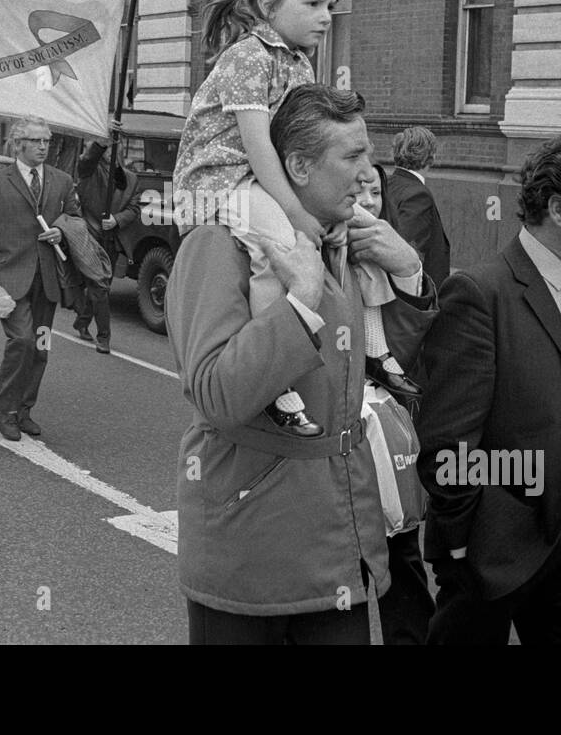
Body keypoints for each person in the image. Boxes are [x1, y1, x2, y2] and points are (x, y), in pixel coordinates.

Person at [169, 83, 433, 644]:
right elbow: (220, 394)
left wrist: (407, 271)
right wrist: (297, 303)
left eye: (370, 154)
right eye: (353, 156)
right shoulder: (219, 245)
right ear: (298, 166)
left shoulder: (344, 241)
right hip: (254, 547)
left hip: (342, 536)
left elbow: (383, 372)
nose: (370, 174)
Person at [416, 132, 561, 645]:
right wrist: (461, 544)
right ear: (560, 210)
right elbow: (446, 440)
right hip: (496, 548)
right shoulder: (481, 293)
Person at [173, 0, 407, 436]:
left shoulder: (298, 62)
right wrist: (298, 213)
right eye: (314, 4)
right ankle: (277, 385)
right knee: (277, 242)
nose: (327, 16)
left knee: (363, 225)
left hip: (258, 176)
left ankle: (375, 346)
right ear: (266, 4)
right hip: (220, 178)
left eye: (331, 6)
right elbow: (259, 146)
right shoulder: (247, 58)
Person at [357, 165, 435, 645]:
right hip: (329, 440)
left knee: (400, 557)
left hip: (380, 434)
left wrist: (408, 270)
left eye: (376, 190)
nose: (368, 198)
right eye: (357, 186)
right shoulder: (307, 245)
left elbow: (402, 352)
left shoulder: (389, 252)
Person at [0, 115, 79, 441]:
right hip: (9, 280)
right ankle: (6, 411)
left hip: (47, 281)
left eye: (46, 140)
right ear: (18, 144)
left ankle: (25, 410)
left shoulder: (61, 181)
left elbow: (76, 218)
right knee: (22, 341)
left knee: (41, 347)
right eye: (36, 141)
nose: (43, 146)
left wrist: (62, 230)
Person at [72, 131, 141, 354]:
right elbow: (86, 161)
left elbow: (134, 208)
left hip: (112, 240)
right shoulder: (89, 171)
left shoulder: (131, 178)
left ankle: (82, 322)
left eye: (115, 148)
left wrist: (117, 220)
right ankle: (104, 337)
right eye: (108, 149)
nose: (112, 152)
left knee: (100, 286)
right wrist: (102, 141)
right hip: (90, 234)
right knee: (100, 286)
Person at [385, 125, 451, 288]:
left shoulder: (386, 184)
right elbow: (406, 249)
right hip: (415, 293)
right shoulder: (418, 195)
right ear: (431, 157)